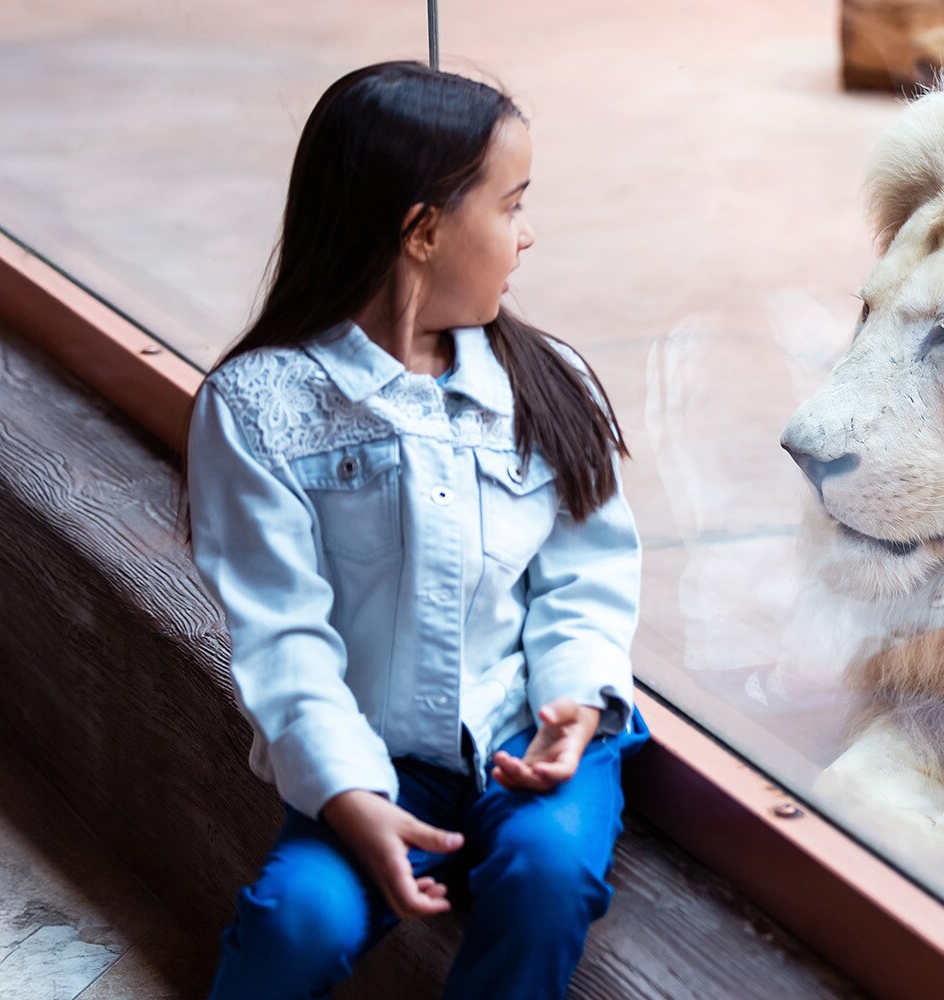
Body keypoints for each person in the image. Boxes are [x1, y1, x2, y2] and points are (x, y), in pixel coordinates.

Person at [185, 60, 648, 1000]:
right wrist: (352, 801)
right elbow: (284, 641)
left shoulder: (547, 381)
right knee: (298, 921)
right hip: (373, 759)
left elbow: (587, 578)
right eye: (511, 206)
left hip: (526, 736)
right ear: (424, 231)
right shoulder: (259, 408)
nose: (529, 235)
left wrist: (576, 703)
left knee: (547, 876)